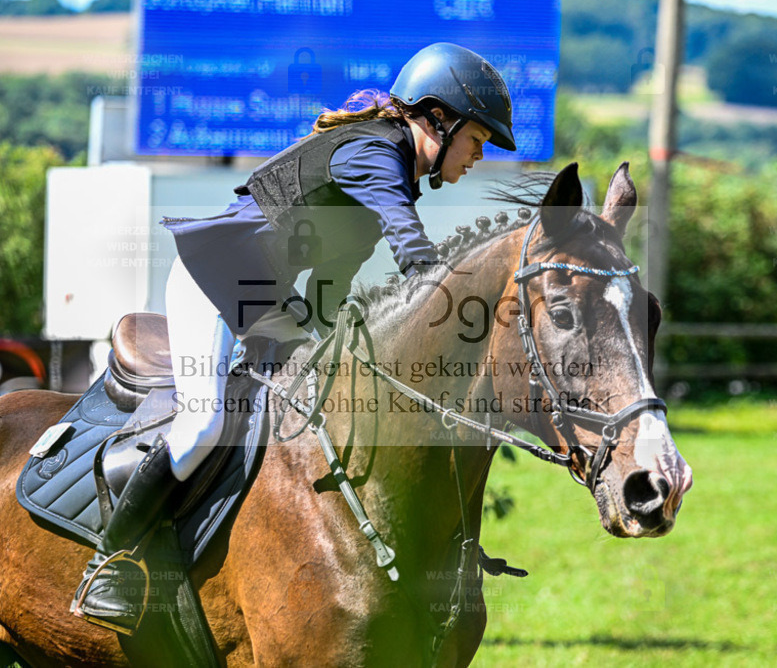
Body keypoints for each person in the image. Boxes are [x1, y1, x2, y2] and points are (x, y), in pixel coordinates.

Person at [71, 42, 516, 633]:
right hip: (216, 277)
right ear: (438, 119)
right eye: (476, 142)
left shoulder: (391, 176)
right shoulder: (373, 154)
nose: (477, 156)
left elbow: (334, 287)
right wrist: (470, 321)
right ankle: (112, 561)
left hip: (266, 301)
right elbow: (417, 257)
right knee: (204, 425)